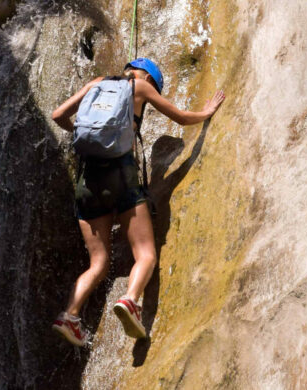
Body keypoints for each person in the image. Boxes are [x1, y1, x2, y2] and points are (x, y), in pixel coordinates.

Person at [49, 58, 225, 347]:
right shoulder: (141, 87)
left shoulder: (96, 84)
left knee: (98, 263)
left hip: (87, 182)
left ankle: (70, 316)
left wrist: (88, 137)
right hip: (121, 176)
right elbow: (180, 117)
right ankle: (131, 301)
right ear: (148, 77)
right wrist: (206, 112)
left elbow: (58, 115)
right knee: (145, 254)